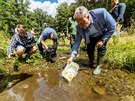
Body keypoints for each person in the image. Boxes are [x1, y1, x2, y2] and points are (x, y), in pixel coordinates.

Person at [67, 6, 116, 75]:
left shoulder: (102, 13)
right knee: (89, 48)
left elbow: (112, 27)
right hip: (90, 35)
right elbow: (77, 42)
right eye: (79, 23)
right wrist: (72, 56)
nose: (81, 26)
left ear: (88, 17)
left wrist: (102, 40)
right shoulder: (79, 27)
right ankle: (91, 61)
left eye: (82, 23)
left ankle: (99, 65)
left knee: (101, 48)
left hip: (102, 33)